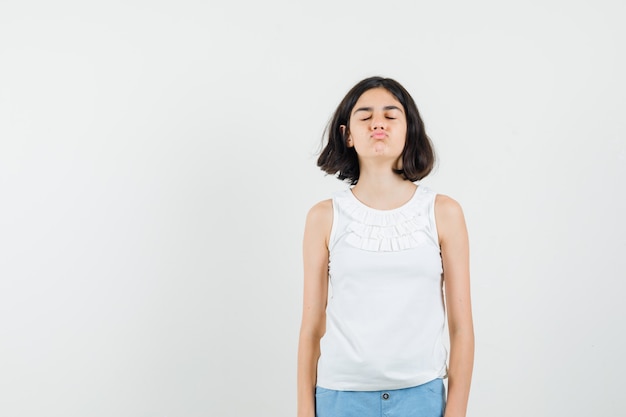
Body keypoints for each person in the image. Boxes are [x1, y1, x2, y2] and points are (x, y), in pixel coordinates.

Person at [297, 76, 474, 417]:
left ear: (410, 131)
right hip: (339, 397)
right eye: (365, 116)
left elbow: (462, 327)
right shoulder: (323, 217)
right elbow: (311, 327)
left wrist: (456, 413)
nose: (378, 123)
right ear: (347, 135)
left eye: (391, 116)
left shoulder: (444, 213)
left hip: (421, 396)